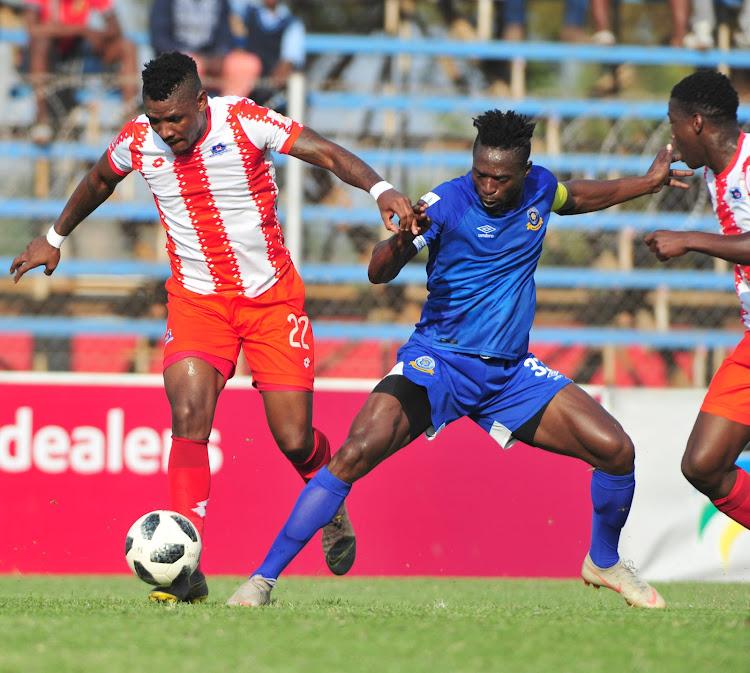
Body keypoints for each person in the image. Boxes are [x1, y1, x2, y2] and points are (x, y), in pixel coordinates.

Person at [224, 109, 692, 608]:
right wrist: (402, 241)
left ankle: (603, 561)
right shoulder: (446, 202)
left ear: (524, 171)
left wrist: (647, 184)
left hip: (509, 375)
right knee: (353, 453)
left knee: (616, 450)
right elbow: (377, 273)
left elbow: (575, 196)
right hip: (439, 364)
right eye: (480, 173)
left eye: (500, 178)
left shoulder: (540, 188)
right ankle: (261, 582)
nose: (488, 185)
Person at [10, 50, 415, 603]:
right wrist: (54, 238)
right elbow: (101, 178)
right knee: (189, 413)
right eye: (156, 120)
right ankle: (184, 569)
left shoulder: (244, 120)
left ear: (201, 102)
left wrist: (381, 190)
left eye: (175, 118)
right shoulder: (139, 140)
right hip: (198, 303)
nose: (166, 130)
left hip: (271, 302)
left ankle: (330, 499)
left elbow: (322, 151)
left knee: (294, 439)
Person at [644, 70, 750, 540]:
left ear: (698, 123)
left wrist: (689, 239)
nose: (671, 134)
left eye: (673, 124)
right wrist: (649, 182)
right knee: (704, 464)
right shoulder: (713, 171)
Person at [23, 0, 139, 144]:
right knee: (42, 43)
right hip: (48, 57)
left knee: (127, 47)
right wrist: (81, 30)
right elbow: (33, 29)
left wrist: (93, 35)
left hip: (80, 54)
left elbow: (115, 29)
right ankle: (42, 120)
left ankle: (129, 120)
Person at [149, 0, 259, 97]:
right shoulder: (164, 2)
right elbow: (160, 40)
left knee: (248, 65)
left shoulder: (220, 2)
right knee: (189, 67)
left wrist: (220, 54)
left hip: (213, 58)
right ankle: (192, 114)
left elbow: (225, 34)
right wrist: (198, 60)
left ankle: (225, 113)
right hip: (181, 57)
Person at [232, 0, 305, 108]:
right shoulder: (246, 13)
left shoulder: (292, 23)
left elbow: (288, 62)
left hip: (270, 86)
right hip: (246, 81)